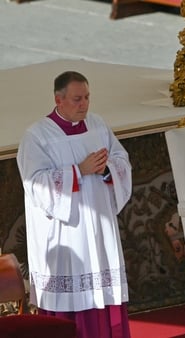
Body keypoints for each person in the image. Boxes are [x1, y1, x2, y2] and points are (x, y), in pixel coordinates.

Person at [16, 71, 132, 338]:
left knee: (102, 289)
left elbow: (121, 158)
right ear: (59, 100)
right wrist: (79, 171)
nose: (84, 104)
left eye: (87, 98)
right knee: (73, 298)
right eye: (77, 99)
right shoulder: (37, 136)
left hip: (99, 227)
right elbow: (35, 183)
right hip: (67, 232)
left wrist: (108, 169)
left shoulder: (98, 125)